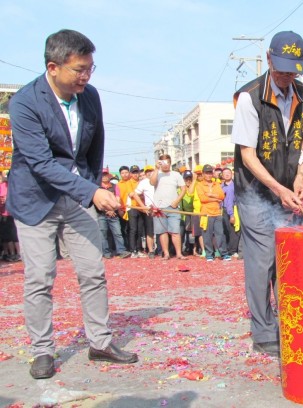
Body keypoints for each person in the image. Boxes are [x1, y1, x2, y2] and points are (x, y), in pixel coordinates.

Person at [7, 29, 139, 379]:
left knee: (93, 273)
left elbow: (94, 148)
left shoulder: (90, 96)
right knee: (40, 277)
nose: (86, 76)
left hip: (77, 197)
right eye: (79, 69)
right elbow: (41, 163)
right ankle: (42, 350)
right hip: (36, 201)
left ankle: (100, 342)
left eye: (90, 68)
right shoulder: (23, 103)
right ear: (53, 67)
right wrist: (92, 192)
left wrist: (93, 188)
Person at [231, 31, 303, 357]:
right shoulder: (250, 97)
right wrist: (279, 188)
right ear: (268, 59)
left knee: (288, 258)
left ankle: (288, 320)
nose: (286, 77)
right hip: (255, 190)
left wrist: (299, 176)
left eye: (292, 71)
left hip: (286, 185)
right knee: (263, 258)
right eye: (281, 69)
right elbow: (248, 155)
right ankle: (264, 331)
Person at [149, 154, 186, 260]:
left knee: (175, 231)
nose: (165, 165)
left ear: (170, 163)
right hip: (159, 208)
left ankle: (179, 253)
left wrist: (177, 200)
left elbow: (183, 189)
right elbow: (152, 182)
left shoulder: (176, 175)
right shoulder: (157, 174)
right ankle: (166, 253)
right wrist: (156, 169)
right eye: (163, 162)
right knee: (162, 232)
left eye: (167, 162)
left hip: (173, 207)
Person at [195, 164, 229, 261]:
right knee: (207, 235)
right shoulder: (199, 185)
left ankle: (224, 253)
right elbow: (202, 198)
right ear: (203, 174)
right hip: (206, 214)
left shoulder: (216, 184)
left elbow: (222, 196)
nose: (209, 175)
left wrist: (210, 195)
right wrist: (215, 198)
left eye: (210, 173)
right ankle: (209, 254)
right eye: (207, 173)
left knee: (220, 234)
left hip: (217, 213)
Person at [98, 169, 131, 259]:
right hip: (101, 214)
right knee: (103, 234)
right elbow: (98, 202)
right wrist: (108, 210)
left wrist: (112, 210)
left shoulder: (115, 186)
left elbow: (118, 199)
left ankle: (121, 250)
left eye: (106, 174)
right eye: (103, 174)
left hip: (114, 214)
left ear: (109, 175)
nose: (104, 176)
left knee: (118, 233)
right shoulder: (97, 187)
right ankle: (106, 252)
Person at [132, 165, 156, 258]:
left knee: (162, 231)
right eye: (147, 172)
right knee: (150, 231)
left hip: (161, 208)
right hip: (150, 209)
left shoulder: (159, 180)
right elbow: (135, 194)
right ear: (145, 174)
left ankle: (162, 250)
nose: (149, 173)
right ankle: (151, 251)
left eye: (151, 171)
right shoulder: (143, 182)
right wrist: (143, 207)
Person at [221, 167, 241, 258]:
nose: (227, 174)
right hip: (224, 210)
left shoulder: (236, 185)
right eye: (225, 173)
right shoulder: (221, 186)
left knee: (234, 230)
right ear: (222, 175)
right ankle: (228, 249)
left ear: (231, 174)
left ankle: (233, 250)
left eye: (228, 172)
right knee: (226, 230)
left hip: (234, 209)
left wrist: (232, 214)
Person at [127, 165, 145, 258]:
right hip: (133, 208)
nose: (135, 174)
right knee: (133, 229)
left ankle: (139, 249)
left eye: (136, 172)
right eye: (133, 172)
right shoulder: (129, 182)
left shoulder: (142, 182)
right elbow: (132, 194)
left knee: (140, 230)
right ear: (130, 174)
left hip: (141, 209)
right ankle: (133, 250)